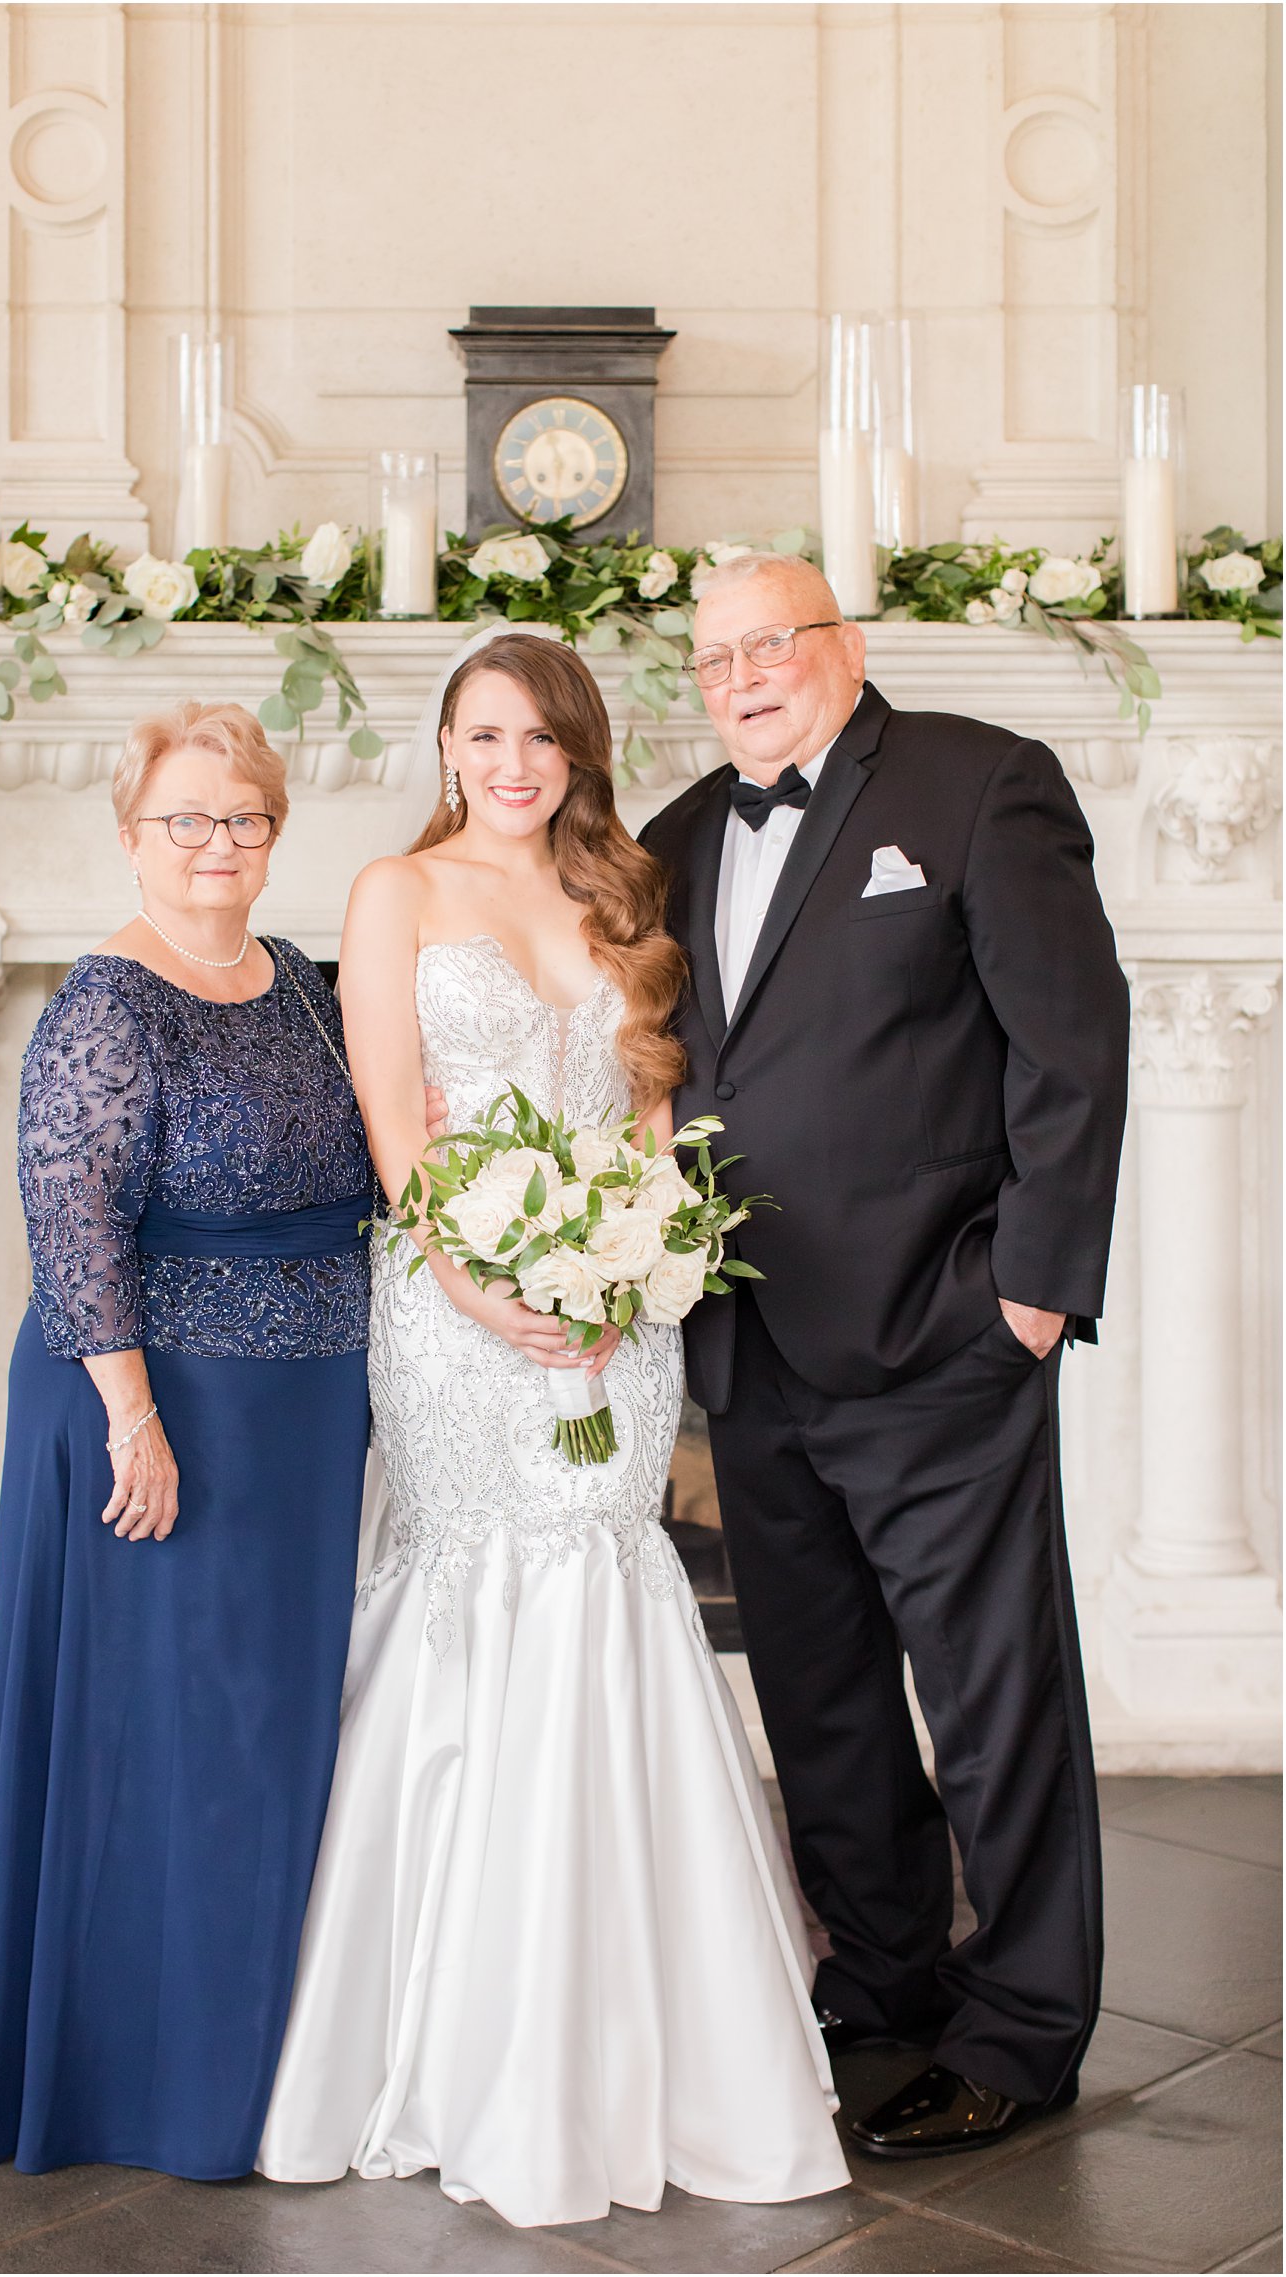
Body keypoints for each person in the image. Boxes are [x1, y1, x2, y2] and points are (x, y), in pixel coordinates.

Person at [255, 632, 849, 2226]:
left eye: (544, 739)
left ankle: (647, 2037)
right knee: (488, 1584)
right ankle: (453, 2036)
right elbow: (400, 1124)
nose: (514, 764)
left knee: (605, 1570)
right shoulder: (399, 892)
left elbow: (650, 1111)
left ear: (581, 755)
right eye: (486, 734)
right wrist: (475, 1281)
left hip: (615, 1320)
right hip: (456, 1315)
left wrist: (637, 1272)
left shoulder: (621, 894)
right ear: (449, 747)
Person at [639, 554, 1130, 2159]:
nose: (741, 677)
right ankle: (884, 1977)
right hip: (751, 1344)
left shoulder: (981, 783)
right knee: (824, 1695)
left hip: (942, 1333)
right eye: (713, 660)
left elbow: (1072, 1040)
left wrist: (1033, 1296)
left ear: (845, 645)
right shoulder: (680, 834)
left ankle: (1026, 2023)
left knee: (994, 1697)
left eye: (770, 643)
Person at [0, 699, 373, 2176]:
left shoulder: (302, 976)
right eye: (186, 817)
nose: (217, 844)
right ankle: (151, 2088)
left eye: (242, 816)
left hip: (299, 1418)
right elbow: (73, 1225)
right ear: (131, 834)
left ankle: (261, 2065)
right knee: (174, 1751)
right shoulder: (107, 1000)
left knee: (268, 1744)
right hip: (157, 1416)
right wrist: (134, 1416)